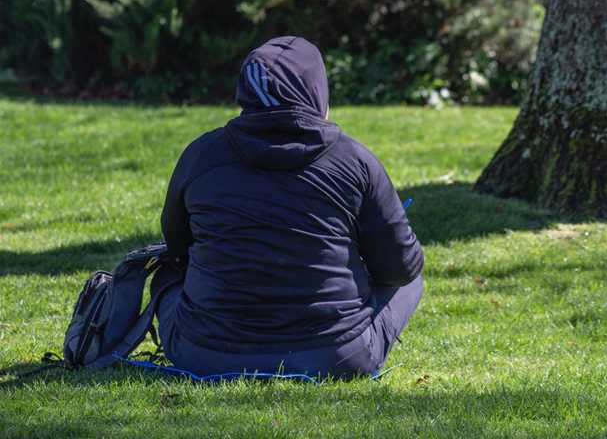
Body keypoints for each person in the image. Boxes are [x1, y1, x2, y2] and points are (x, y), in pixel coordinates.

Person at [155, 36, 424, 379]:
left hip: (203, 354)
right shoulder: (355, 160)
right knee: (410, 280)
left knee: (165, 273)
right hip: (334, 357)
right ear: (317, 91)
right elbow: (401, 268)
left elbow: (177, 247)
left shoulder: (201, 155)